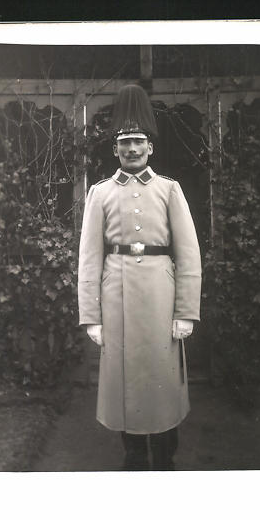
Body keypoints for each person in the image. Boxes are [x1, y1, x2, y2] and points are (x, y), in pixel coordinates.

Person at [78, 84, 201, 470]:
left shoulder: (169, 190)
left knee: (162, 380)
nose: (132, 149)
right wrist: (92, 317)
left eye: (138, 142)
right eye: (125, 142)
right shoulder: (99, 194)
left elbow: (189, 255)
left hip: (161, 300)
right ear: (115, 149)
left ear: (151, 147)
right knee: (123, 383)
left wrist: (185, 312)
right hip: (116, 301)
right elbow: (88, 259)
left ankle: (165, 458)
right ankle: (132, 457)